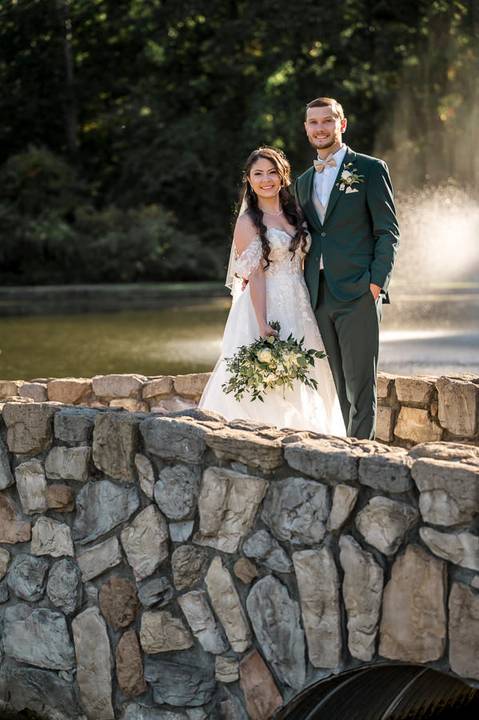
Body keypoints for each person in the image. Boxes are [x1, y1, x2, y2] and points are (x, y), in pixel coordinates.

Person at [199, 147, 346, 436]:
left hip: (300, 301)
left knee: (305, 371)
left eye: (271, 172)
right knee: (266, 377)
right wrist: (263, 322)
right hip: (265, 305)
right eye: (258, 174)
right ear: (250, 181)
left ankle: (305, 434)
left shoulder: (296, 213)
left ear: (282, 176)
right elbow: (255, 278)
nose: (266, 180)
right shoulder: (247, 223)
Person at [295, 97, 400, 439]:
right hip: (319, 293)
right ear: (307, 129)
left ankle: (362, 458)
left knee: (361, 386)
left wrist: (376, 283)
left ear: (342, 124)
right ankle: (342, 452)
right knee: (334, 383)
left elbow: (387, 231)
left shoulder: (370, 169)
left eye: (327, 121)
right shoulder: (304, 181)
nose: (320, 128)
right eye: (313, 122)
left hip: (358, 290)